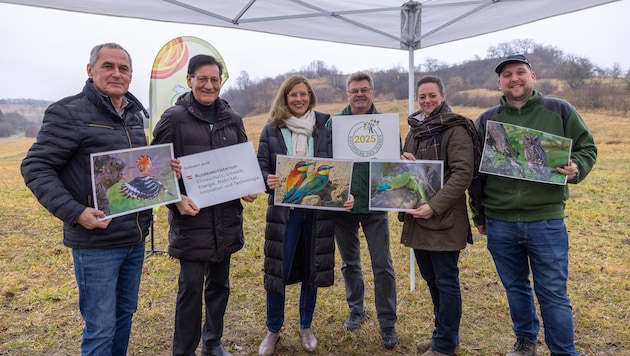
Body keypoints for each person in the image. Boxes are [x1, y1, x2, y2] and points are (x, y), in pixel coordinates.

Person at [21, 43, 180, 355]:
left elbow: (132, 169)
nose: (116, 73)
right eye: (108, 66)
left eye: (123, 68)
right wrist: (76, 212)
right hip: (95, 243)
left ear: (131, 75)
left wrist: (163, 169)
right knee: (100, 328)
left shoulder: (134, 115)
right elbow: (35, 166)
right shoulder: (68, 113)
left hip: (134, 238)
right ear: (90, 70)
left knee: (124, 316)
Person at [471, 54, 597, 356]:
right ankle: (526, 339)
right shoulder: (486, 120)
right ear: (499, 82)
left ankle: (563, 351)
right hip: (500, 221)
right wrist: (480, 215)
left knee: (553, 293)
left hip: (546, 220)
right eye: (507, 75)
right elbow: (476, 172)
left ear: (533, 76)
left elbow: (587, 148)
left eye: (520, 73)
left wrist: (576, 166)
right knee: (515, 288)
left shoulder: (559, 110)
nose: (514, 79)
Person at [152, 54, 256, 356]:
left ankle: (212, 341)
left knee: (219, 287)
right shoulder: (173, 118)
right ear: (189, 80)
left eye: (214, 79)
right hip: (192, 220)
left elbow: (242, 165)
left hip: (226, 220)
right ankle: (183, 350)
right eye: (202, 79)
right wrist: (176, 201)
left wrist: (248, 187)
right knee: (190, 291)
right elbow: (157, 173)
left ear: (221, 81)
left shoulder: (233, 119)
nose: (209, 85)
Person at [256, 75, 354, 356]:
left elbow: (338, 165)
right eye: (293, 95)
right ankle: (273, 329)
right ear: (284, 99)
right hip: (284, 214)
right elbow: (261, 165)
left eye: (304, 94)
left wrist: (344, 193)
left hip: (318, 214)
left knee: (312, 268)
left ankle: (306, 326)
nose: (299, 99)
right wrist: (268, 179)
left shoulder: (326, 126)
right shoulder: (272, 129)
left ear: (310, 96)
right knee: (278, 270)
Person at [398, 76, 475, 356]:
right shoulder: (415, 130)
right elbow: (414, 170)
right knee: (432, 280)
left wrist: (434, 205)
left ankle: (445, 345)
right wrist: (405, 163)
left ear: (443, 95)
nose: (427, 101)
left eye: (432, 95)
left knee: (446, 280)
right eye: (422, 97)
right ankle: (443, 334)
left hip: (443, 218)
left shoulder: (456, 129)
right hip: (418, 216)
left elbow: (463, 173)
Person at [328, 72, 398, 349]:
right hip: (342, 207)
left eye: (364, 90)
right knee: (350, 263)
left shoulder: (385, 126)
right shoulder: (333, 125)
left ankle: (388, 323)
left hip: (375, 206)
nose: (359, 94)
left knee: (382, 266)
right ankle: (356, 309)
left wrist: (400, 160)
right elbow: (323, 160)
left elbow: (394, 162)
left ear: (372, 93)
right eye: (354, 90)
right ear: (348, 94)